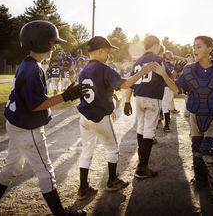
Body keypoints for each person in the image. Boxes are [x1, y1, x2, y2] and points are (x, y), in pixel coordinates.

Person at [0, 21, 87, 216]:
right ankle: (60, 214)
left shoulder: (28, 65)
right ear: (40, 43)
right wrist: (66, 96)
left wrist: (64, 95)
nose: (54, 47)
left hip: (16, 123)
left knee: (12, 167)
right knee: (45, 171)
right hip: (27, 128)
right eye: (52, 43)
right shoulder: (32, 69)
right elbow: (36, 104)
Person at [76, 36, 157, 200]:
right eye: (106, 52)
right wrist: (143, 72)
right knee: (112, 148)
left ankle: (83, 189)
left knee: (86, 151)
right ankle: (112, 181)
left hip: (84, 116)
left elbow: (94, 91)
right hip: (100, 116)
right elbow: (125, 84)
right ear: (99, 51)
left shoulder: (84, 70)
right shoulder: (104, 69)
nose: (108, 56)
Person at [175, 36, 213, 204]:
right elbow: (179, 87)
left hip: (212, 113)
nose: (194, 49)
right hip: (194, 112)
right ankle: (200, 179)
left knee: (209, 149)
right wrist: (173, 73)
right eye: (194, 46)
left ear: (209, 49)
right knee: (196, 148)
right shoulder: (189, 68)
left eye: (198, 46)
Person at [124, 35, 179, 179]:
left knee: (140, 128)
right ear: (155, 45)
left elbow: (130, 82)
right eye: (158, 45)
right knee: (148, 131)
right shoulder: (158, 58)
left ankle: (142, 160)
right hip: (152, 98)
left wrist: (127, 101)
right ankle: (142, 168)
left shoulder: (138, 60)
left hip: (139, 97)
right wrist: (176, 72)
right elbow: (168, 81)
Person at [161, 50, 175, 133]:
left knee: (167, 104)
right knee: (165, 104)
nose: (170, 56)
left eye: (170, 55)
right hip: (165, 87)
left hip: (168, 87)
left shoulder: (171, 65)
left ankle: (167, 121)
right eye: (168, 55)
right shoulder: (163, 64)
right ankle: (166, 124)